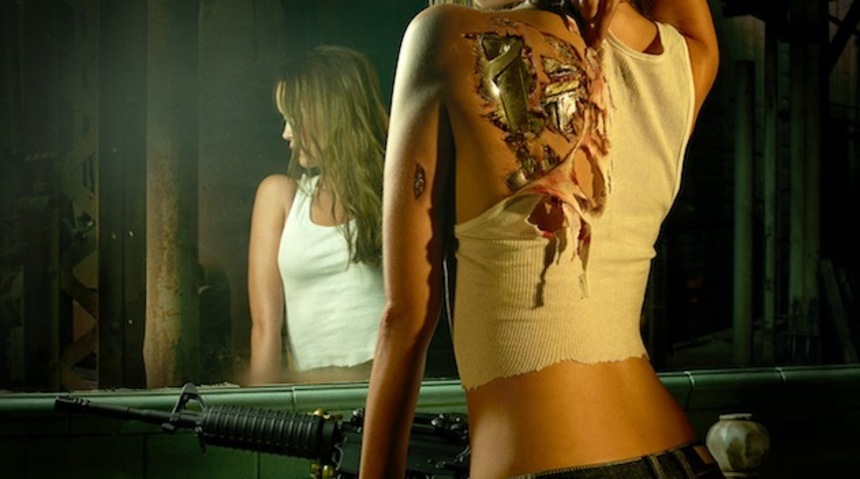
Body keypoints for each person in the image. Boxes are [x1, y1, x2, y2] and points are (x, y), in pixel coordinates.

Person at [359, 0, 720, 478]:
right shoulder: (682, 62)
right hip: (682, 458)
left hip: (544, 461)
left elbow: (403, 319)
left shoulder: (447, 37)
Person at [246, 45, 388, 385]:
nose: (286, 133)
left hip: (383, 388)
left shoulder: (394, 193)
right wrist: (257, 410)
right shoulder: (280, 196)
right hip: (311, 397)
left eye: (294, 119)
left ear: (329, 115)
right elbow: (264, 328)